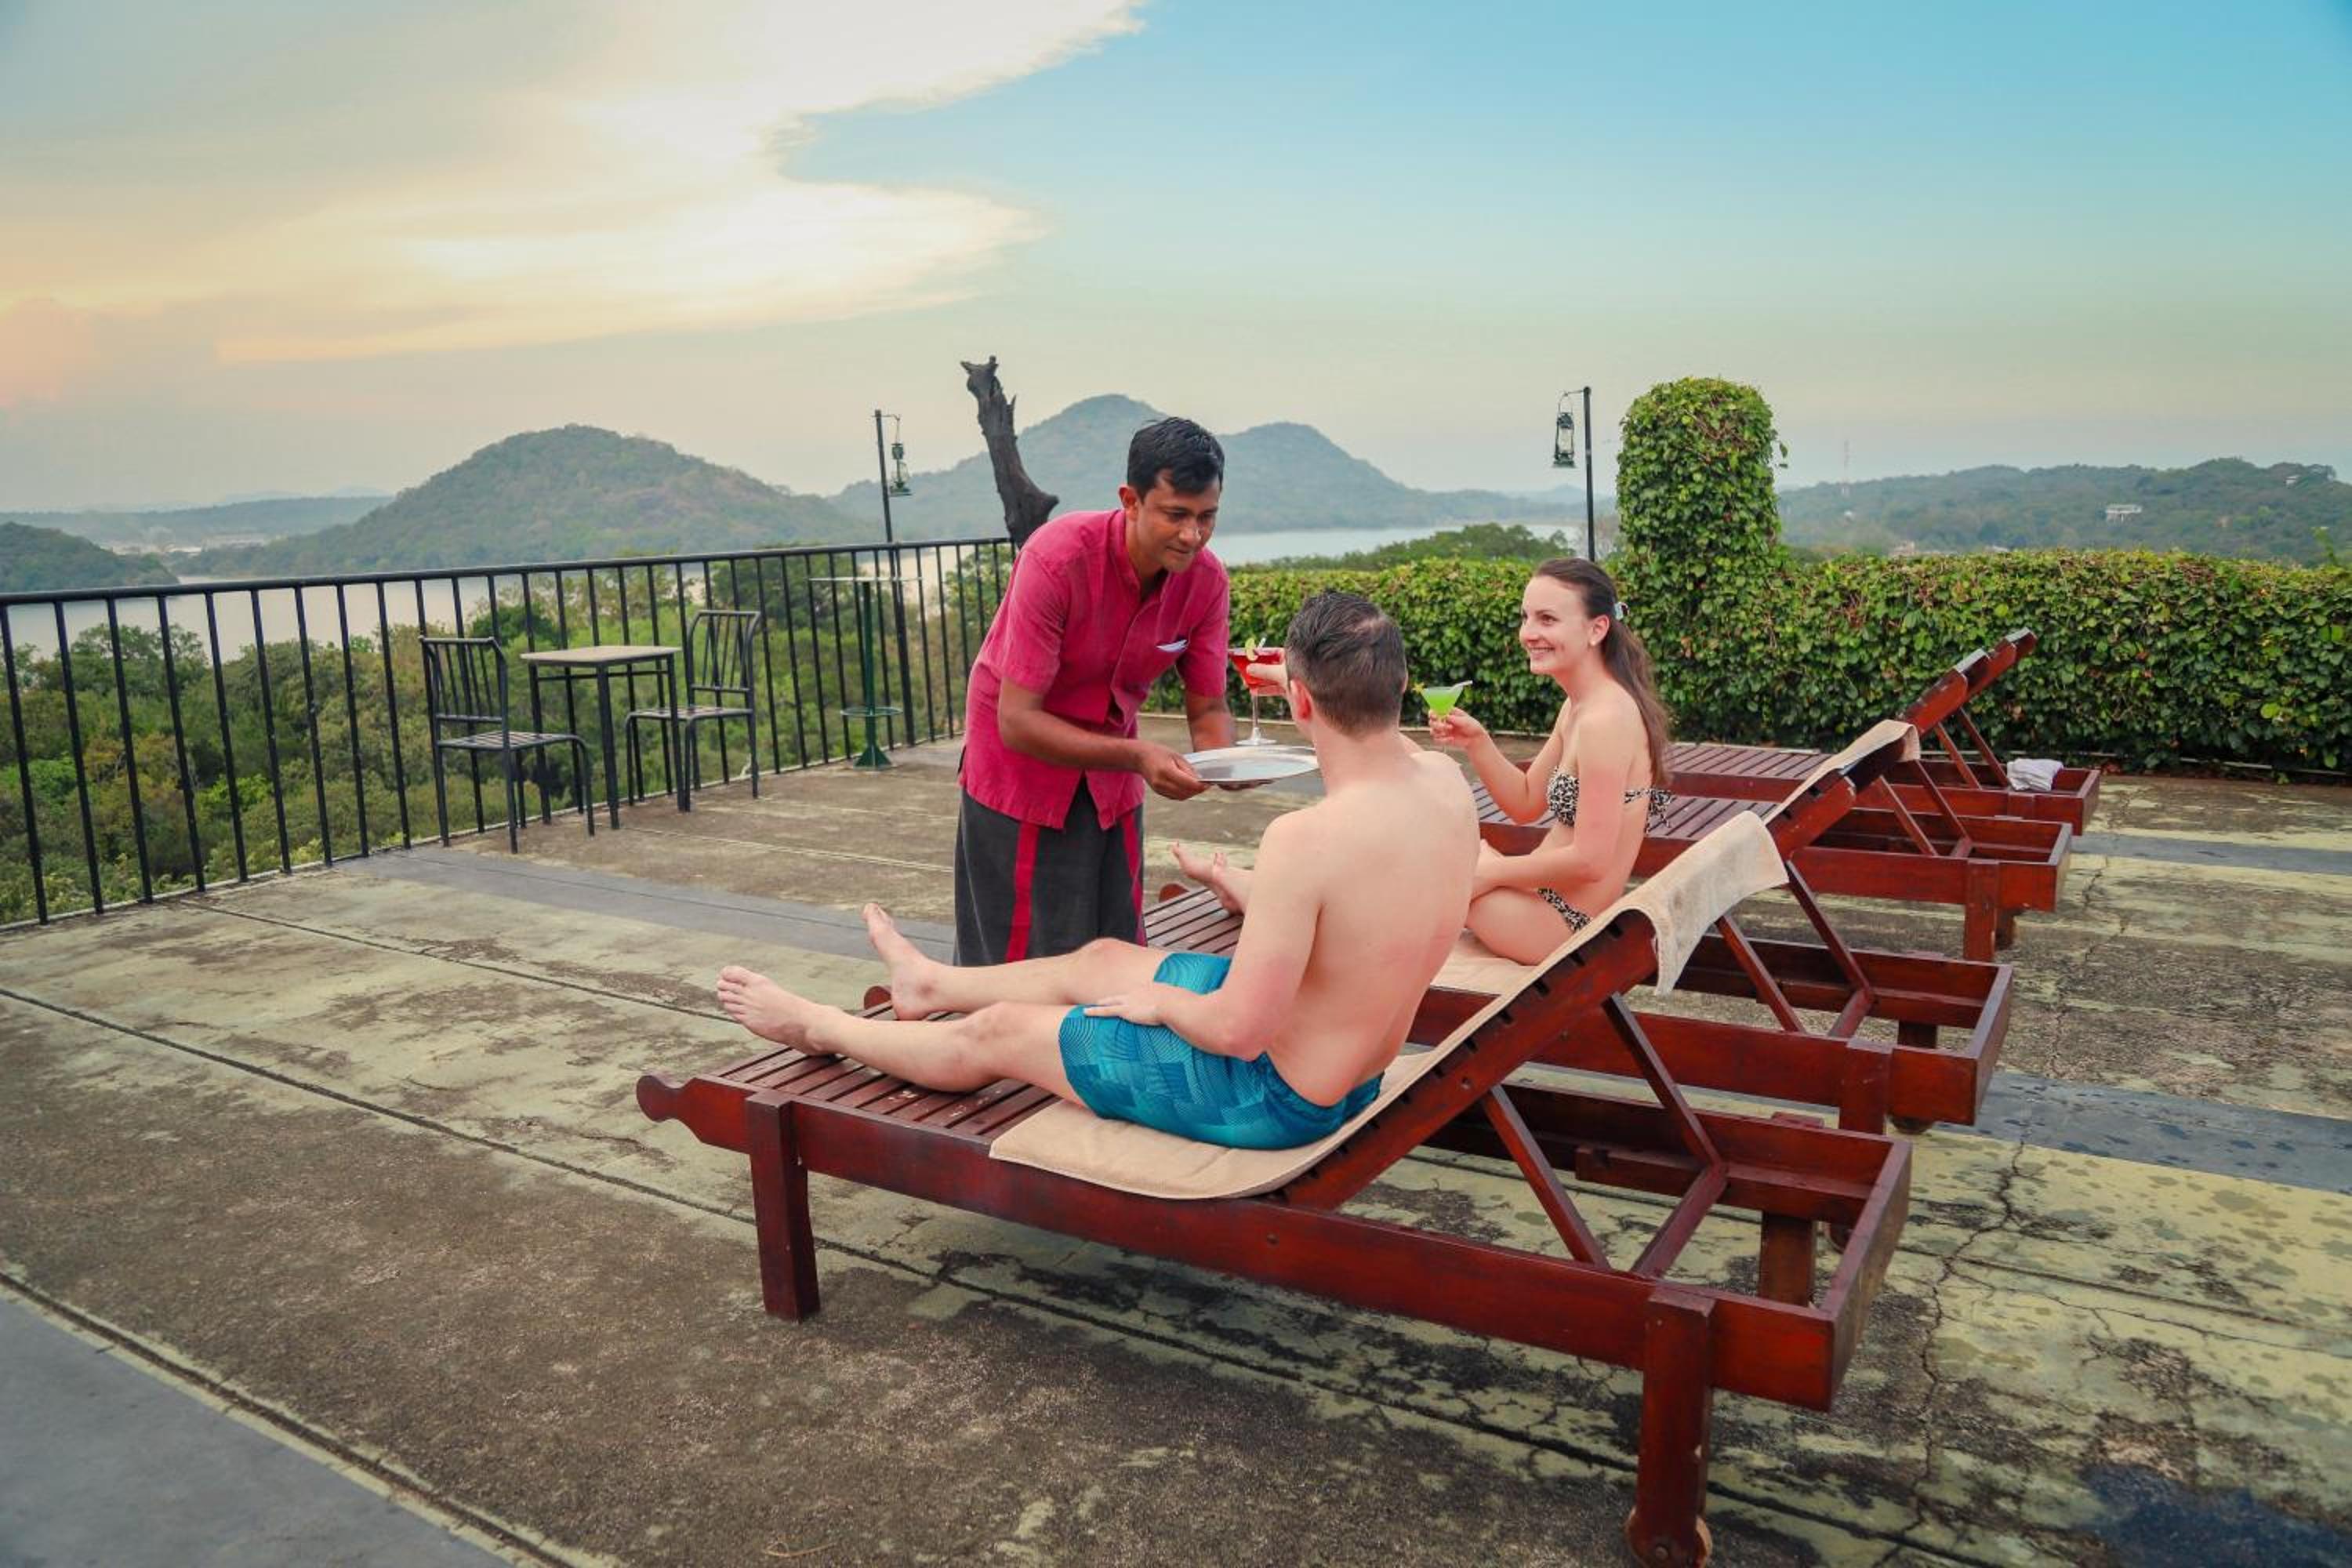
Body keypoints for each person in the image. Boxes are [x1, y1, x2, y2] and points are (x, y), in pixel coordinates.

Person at [716, 592, 1477, 1151]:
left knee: (1003, 1032)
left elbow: (1237, 1032)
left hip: (1274, 1098)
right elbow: (1371, 727)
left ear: (1300, 701)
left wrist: (1163, 1005)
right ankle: (929, 985)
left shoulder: (1305, 839)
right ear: (1399, 683)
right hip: (1347, 1069)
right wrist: (1303, 680)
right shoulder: (1444, 783)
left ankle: (820, 1024)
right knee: (1103, 960)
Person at [950, 416, 1236, 967]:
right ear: (1131, 501)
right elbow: (1018, 721)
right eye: (1176, 515)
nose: (1192, 536)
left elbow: (1209, 707)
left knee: (1114, 945)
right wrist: (1139, 756)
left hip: (1112, 772)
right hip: (1020, 767)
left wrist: (1227, 765)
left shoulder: (1207, 582)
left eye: (1207, 517)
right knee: (1019, 962)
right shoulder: (1057, 558)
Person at [1427, 559, 1674, 964]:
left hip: (1559, 925)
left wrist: (1488, 873)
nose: (1529, 633)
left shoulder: (1605, 721)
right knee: (1439, 858)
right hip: (1541, 900)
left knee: (1423, 875)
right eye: (1525, 617)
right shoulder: (1579, 705)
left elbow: (1591, 861)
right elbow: (1526, 802)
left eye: (1547, 619)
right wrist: (1478, 742)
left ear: (1597, 629)